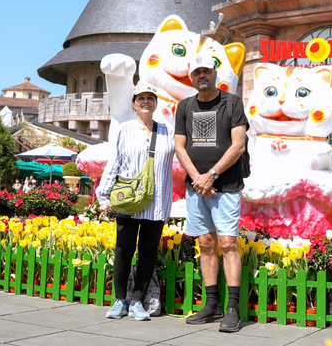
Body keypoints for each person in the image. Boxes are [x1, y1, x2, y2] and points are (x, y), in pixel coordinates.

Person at [175, 53, 249, 333]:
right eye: (197, 72)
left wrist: (211, 176)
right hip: (196, 188)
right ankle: (211, 303)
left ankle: (232, 309)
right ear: (191, 77)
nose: (201, 76)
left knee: (228, 243)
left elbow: (238, 145)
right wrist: (197, 179)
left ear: (215, 73)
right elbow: (180, 147)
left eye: (206, 71)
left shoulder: (232, 103)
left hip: (225, 186)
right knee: (206, 243)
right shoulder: (184, 107)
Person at [96, 82, 175, 321]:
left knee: (148, 253)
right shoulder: (124, 129)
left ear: (156, 103)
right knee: (124, 250)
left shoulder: (166, 132)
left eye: (150, 98)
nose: (145, 102)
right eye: (140, 98)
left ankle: (137, 301)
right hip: (128, 202)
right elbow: (115, 162)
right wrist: (103, 196)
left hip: (157, 202)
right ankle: (120, 299)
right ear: (133, 103)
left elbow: (181, 155)